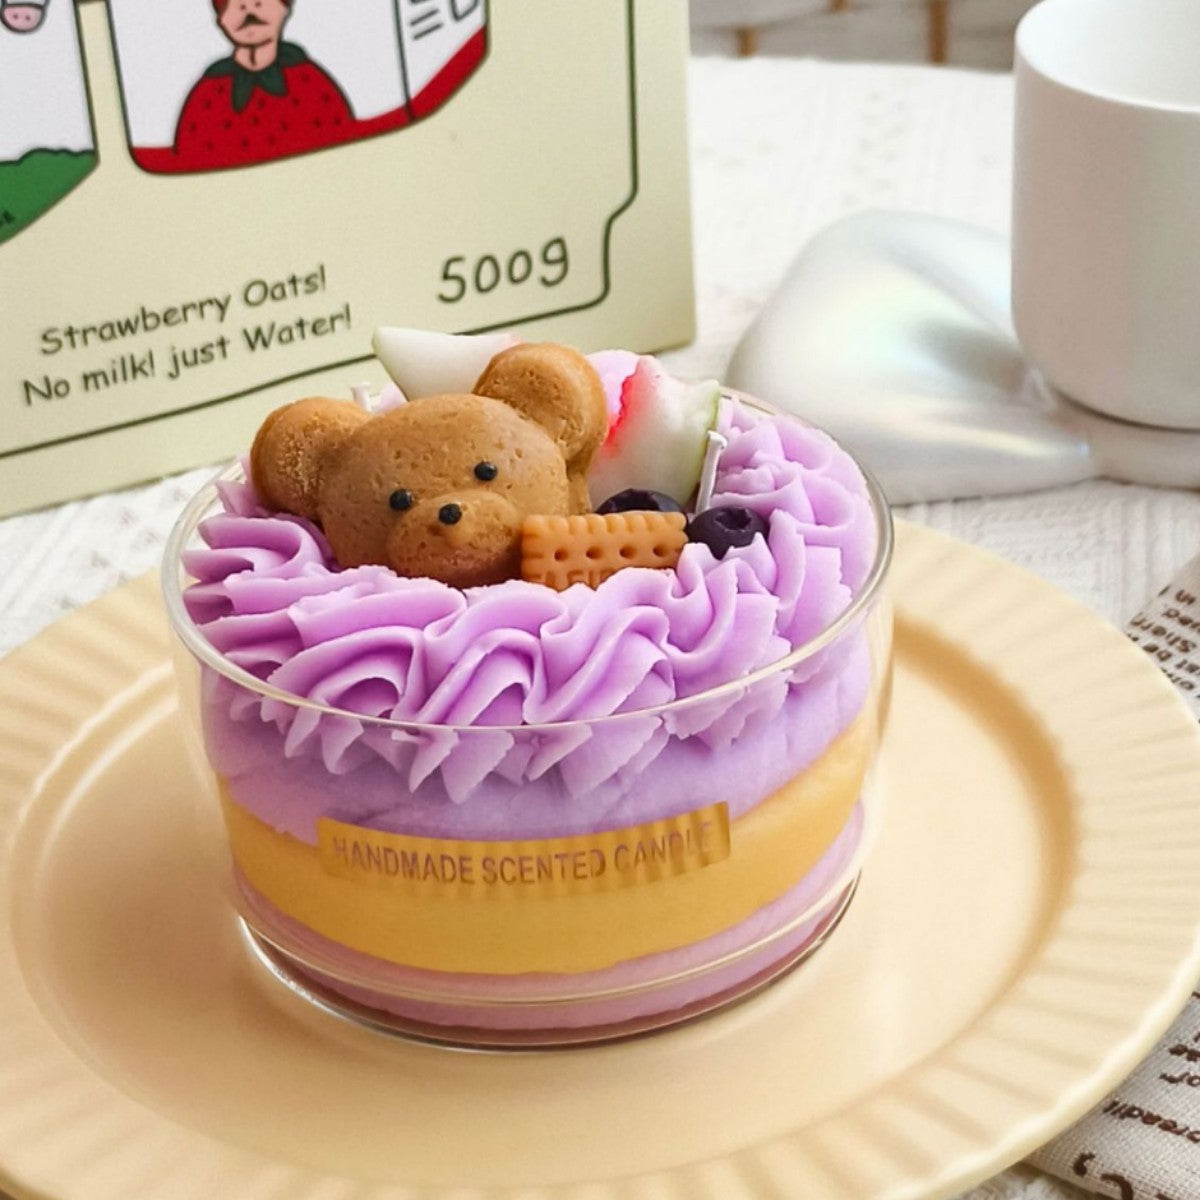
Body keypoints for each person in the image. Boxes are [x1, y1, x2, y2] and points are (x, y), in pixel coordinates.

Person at [173, 0, 358, 170]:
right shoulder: (208, 94)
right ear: (221, 20)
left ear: (285, 8)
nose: (248, 8)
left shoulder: (312, 84)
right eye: (235, 3)